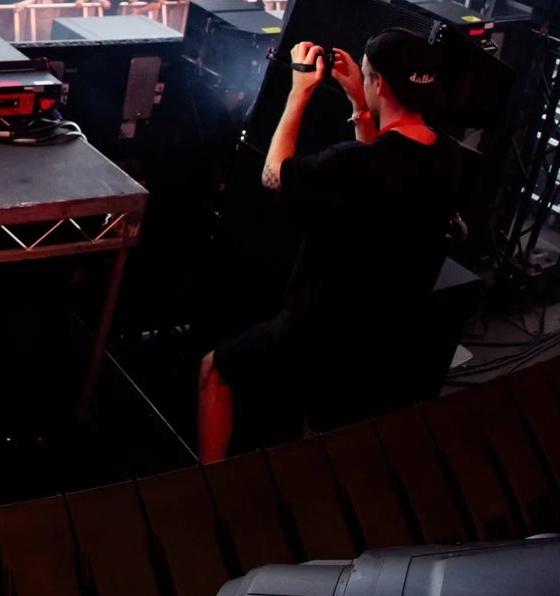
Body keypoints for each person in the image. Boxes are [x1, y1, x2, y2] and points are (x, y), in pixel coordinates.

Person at [198, 29, 465, 462]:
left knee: (215, 370)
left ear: (379, 81)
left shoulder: (353, 163)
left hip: (318, 326)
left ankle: (207, 491)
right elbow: (386, 169)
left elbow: (274, 174)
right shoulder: (446, 155)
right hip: (384, 330)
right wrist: (360, 104)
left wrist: (299, 91)